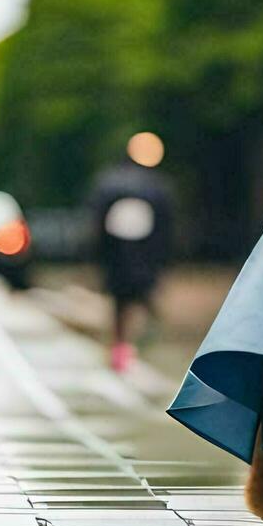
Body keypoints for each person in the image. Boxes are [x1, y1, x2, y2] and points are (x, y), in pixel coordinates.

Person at [88, 133, 173, 371]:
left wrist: (97, 256)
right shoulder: (158, 186)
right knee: (141, 298)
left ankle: (121, 346)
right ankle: (131, 344)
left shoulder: (109, 183)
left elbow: (96, 225)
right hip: (144, 258)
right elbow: (166, 227)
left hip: (117, 259)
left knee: (121, 302)